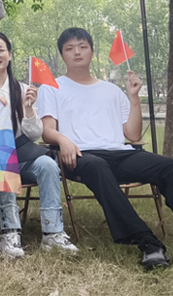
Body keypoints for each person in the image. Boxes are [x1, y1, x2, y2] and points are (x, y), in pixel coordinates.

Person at [39, 27, 173, 269]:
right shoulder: (52, 87)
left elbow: (132, 135)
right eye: (70, 48)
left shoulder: (111, 90)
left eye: (82, 47)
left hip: (119, 154)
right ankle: (147, 242)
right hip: (79, 155)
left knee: (167, 166)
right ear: (62, 55)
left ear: (92, 52)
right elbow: (47, 129)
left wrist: (134, 98)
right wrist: (63, 140)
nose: (77, 52)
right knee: (98, 166)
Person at [0, 31, 77, 258]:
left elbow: (34, 135)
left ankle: (53, 232)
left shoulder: (23, 89)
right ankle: (10, 232)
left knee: (48, 165)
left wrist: (28, 109)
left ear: (10, 54)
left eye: (0, 50)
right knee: (3, 162)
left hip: (22, 154)